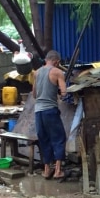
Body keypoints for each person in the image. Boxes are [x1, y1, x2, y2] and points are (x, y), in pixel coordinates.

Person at [33, 50, 67, 179]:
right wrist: (60, 94)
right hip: (50, 110)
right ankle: (58, 170)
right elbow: (64, 93)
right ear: (56, 61)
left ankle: (47, 170)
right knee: (59, 138)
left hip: (38, 112)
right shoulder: (57, 72)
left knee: (44, 139)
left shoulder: (36, 72)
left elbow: (34, 94)